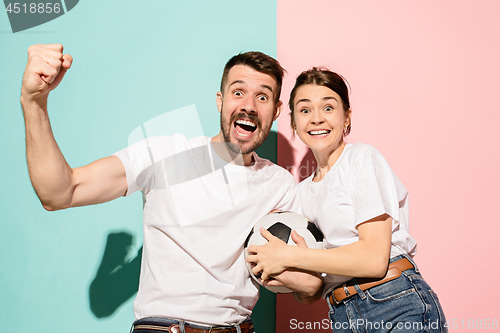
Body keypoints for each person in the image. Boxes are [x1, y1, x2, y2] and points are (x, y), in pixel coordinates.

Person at [20, 44, 322, 332]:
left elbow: (308, 289)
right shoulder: (164, 154)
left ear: (277, 109)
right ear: (220, 100)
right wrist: (34, 102)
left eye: (263, 97)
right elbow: (60, 192)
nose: (248, 106)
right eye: (238, 92)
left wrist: (299, 274)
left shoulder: (280, 185)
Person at [247, 68, 448, 332]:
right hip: (343, 316)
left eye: (328, 108)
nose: (316, 119)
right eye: (305, 110)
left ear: (346, 117)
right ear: (294, 122)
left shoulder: (361, 158)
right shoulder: (301, 195)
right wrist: (281, 268)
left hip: (395, 302)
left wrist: (289, 255)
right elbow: (310, 294)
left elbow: (373, 259)